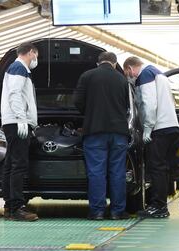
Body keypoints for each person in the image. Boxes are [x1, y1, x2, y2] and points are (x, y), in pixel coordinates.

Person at [74, 52, 130, 220]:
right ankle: (117, 211)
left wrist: (89, 113)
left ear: (98, 63)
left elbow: (77, 101)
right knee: (118, 172)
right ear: (114, 63)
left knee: (96, 172)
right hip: (119, 133)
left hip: (95, 131)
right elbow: (127, 105)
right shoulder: (122, 79)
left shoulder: (87, 76)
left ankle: (97, 211)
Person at [124, 56, 179, 218]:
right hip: (170, 125)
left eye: (129, 74)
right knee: (161, 167)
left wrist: (147, 128)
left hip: (159, 127)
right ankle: (159, 204)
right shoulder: (157, 73)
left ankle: (159, 207)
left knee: (156, 168)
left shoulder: (145, 76)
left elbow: (149, 104)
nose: (130, 77)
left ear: (130, 68)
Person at [0, 42, 39, 221]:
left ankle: (9, 205)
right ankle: (16, 207)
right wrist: (21, 118)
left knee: (10, 164)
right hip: (17, 122)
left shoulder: (16, 68)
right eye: (36, 56)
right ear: (30, 52)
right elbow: (14, 94)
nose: (35, 60)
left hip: (13, 122)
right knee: (18, 165)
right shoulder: (19, 67)